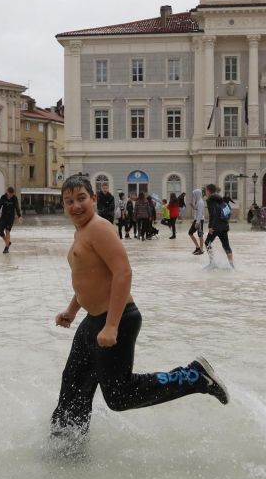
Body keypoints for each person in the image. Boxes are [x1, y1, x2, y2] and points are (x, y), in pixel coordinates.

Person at [49, 175, 229, 439]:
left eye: (81, 199)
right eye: (68, 201)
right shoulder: (81, 232)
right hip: (92, 321)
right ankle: (66, 442)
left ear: (94, 199)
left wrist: (112, 325)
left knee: (120, 395)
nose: (75, 206)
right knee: (74, 386)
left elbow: (123, 273)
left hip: (116, 319)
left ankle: (194, 376)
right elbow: (90, 278)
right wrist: (71, 311)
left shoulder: (99, 228)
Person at [204, 183, 235, 268]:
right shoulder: (221, 199)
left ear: (209, 191)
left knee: (207, 243)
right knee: (226, 245)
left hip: (215, 226)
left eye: (206, 190)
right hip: (224, 225)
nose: (205, 192)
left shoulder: (210, 199)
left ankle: (212, 263)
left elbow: (213, 214)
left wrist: (210, 226)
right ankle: (231, 265)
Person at [0, 186, 22, 254]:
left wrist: (19, 216)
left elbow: (17, 207)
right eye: (10, 194)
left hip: (10, 217)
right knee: (0, 231)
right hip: (3, 217)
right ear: (7, 192)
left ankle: (6, 248)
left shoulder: (14, 198)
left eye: (12, 194)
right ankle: (8, 242)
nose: (11, 196)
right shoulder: (3, 197)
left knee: (7, 231)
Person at [189, 187, 205, 255]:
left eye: (194, 195)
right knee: (190, 233)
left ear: (197, 194)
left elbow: (200, 213)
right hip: (197, 220)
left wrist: (197, 222)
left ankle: (201, 249)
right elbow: (196, 209)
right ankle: (197, 247)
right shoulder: (198, 201)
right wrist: (193, 206)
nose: (194, 196)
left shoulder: (200, 202)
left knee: (200, 235)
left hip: (199, 220)